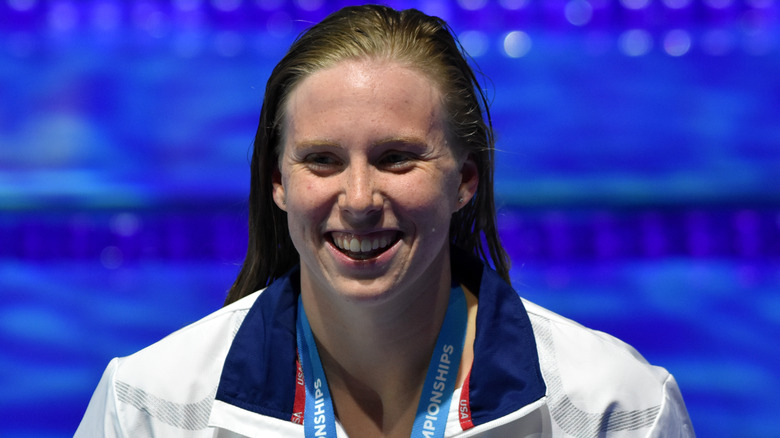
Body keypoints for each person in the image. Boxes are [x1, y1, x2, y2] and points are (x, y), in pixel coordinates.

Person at [76, 4, 694, 437]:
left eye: (398, 159)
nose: (360, 198)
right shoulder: (152, 406)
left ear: (465, 181)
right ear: (277, 183)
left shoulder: (614, 408)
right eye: (321, 160)